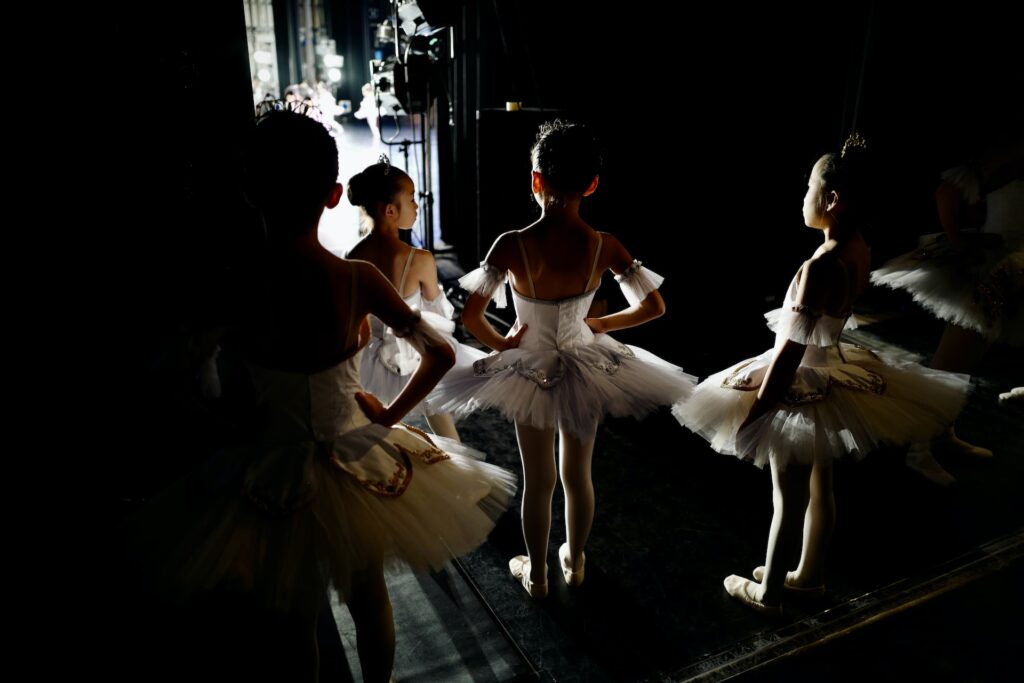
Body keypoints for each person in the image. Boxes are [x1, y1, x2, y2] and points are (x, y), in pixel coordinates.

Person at [130, 102, 515, 681]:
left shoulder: (238, 285)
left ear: (250, 191)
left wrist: (226, 428)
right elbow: (437, 352)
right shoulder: (356, 279)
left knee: (295, 620)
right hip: (357, 453)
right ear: (332, 196)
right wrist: (389, 417)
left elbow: (174, 373)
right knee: (370, 602)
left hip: (270, 462)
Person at [672, 135, 971, 615]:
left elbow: (789, 354)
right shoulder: (858, 248)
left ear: (831, 200)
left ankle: (769, 592)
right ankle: (807, 576)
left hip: (804, 381)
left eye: (808, 187)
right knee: (820, 486)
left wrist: (758, 414)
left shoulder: (820, 266)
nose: (803, 195)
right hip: (835, 370)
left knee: (786, 497)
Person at [437, 120, 696, 598]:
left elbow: (472, 317)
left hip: (529, 369)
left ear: (535, 179)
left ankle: (536, 575)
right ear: (593, 183)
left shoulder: (511, 243)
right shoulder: (604, 244)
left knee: (539, 480)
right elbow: (653, 306)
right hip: (586, 364)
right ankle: (574, 562)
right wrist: (600, 325)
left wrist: (504, 346)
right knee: (579, 474)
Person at [871, 133, 1023, 484]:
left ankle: (942, 434)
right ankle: (918, 449)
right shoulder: (1015, 148)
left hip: (1014, 269)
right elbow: (947, 191)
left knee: (965, 366)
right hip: (992, 269)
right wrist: (960, 242)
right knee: (951, 364)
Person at [345, 157, 484, 440]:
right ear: (391, 210)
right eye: (411, 199)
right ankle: (453, 468)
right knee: (443, 427)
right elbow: (438, 315)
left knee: (370, 429)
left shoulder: (353, 257)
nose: (417, 206)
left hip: (366, 360)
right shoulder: (419, 259)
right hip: (418, 355)